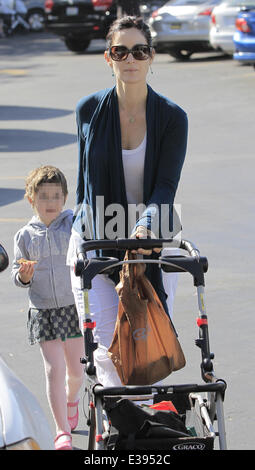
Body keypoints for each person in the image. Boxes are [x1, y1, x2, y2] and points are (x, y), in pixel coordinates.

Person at [68, 16, 188, 388]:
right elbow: (84, 182)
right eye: (121, 51)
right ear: (108, 58)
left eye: (139, 50)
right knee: (108, 345)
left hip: (150, 238)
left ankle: (145, 427)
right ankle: (118, 433)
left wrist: (144, 227)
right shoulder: (88, 109)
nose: (130, 58)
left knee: (144, 338)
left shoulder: (172, 118)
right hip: (97, 237)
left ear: (151, 57)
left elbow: (166, 186)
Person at [11, 165, 85, 451]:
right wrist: (23, 276)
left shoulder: (73, 224)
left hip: (73, 307)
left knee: (77, 371)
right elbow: (18, 276)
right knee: (54, 370)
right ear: (31, 199)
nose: (51, 203)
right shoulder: (25, 236)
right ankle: (61, 431)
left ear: (64, 198)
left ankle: (72, 399)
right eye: (44, 196)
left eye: (56, 196)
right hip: (43, 311)